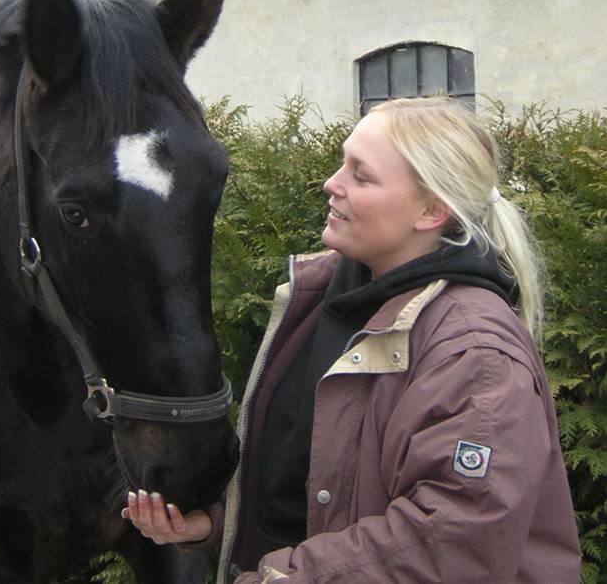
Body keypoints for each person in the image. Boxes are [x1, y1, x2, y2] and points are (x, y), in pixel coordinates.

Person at [123, 96, 582, 583]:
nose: (331, 184)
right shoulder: (326, 302)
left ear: (430, 210)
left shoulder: (475, 351)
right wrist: (216, 523)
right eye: (343, 163)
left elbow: (450, 540)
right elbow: (314, 487)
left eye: (361, 176)